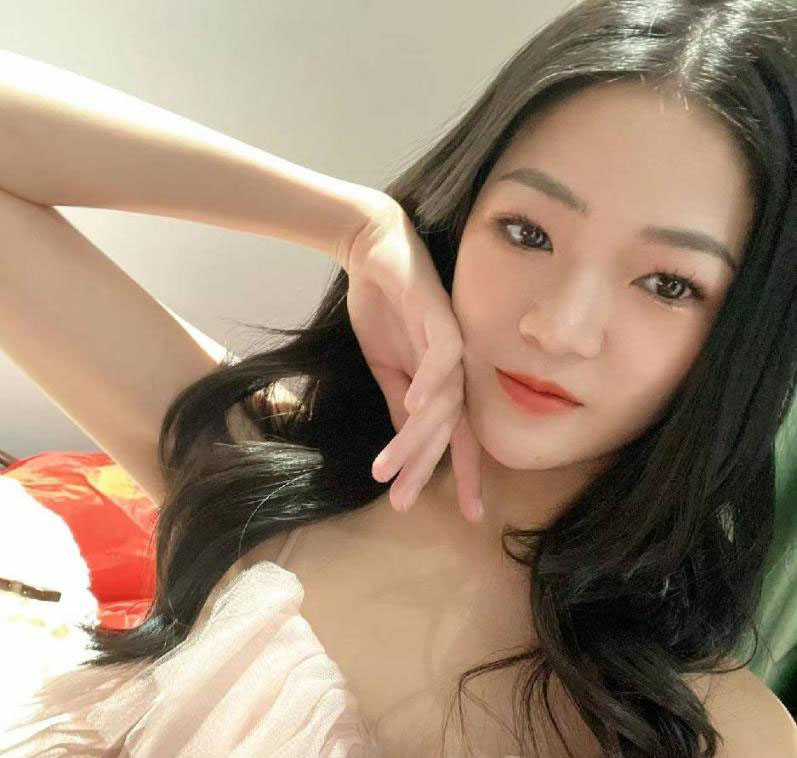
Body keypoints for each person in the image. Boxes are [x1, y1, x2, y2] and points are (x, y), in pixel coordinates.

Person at [1, 0, 796, 755]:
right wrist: (351, 223)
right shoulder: (271, 469)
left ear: (746, 333)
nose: (558, 327)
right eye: (526, 231)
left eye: (667, 284)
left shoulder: (720, 733)